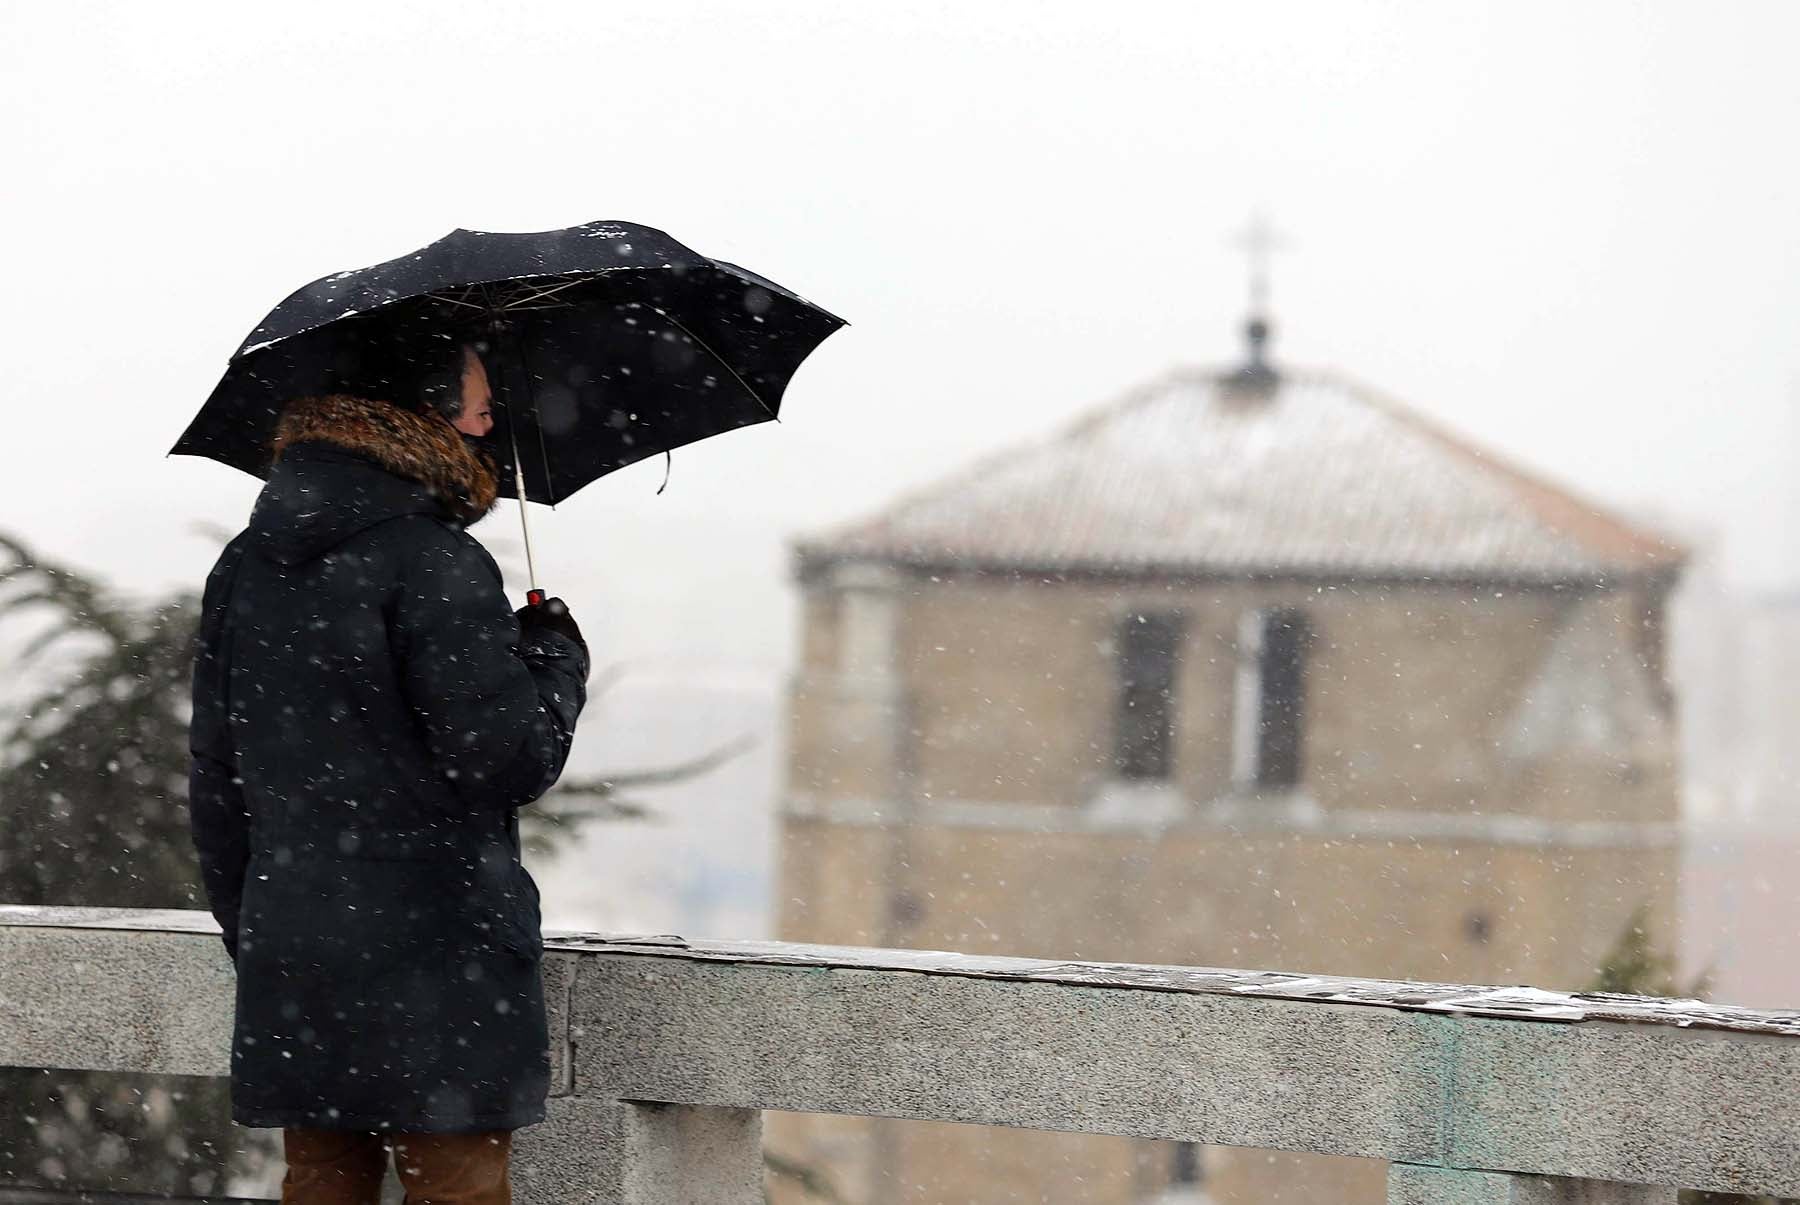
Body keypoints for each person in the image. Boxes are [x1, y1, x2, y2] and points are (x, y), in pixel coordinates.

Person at [187, 333, 589, 1205]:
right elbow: (508, 760)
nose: (491, 424)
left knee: (321, 1180)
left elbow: (216, 778)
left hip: (297, 950)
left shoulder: (245, 564)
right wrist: (555, 661)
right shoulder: (434, 561)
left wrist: (260, 926)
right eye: (480, 406)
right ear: (424, 414)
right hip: (439, 964)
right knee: (458, 1187)